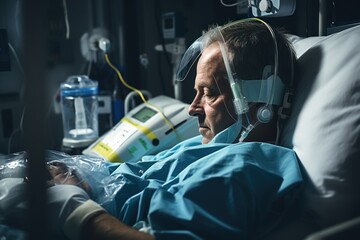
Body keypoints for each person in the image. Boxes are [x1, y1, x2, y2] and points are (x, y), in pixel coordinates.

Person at [17, 19, 301, 240]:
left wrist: (76, 210)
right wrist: (74, 178)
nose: (192, 108)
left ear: (261, 101)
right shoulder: (197, 149)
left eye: (209, 92)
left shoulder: (245, 167)